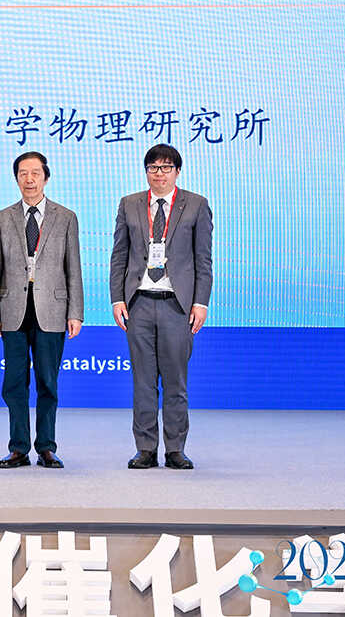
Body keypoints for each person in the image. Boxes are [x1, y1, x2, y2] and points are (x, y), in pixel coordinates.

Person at [110, 144, 212, 470]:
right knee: (142, 382)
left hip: (176, 306)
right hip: (139, 303)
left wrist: (200, 302)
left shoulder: (196, 205)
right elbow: (119, 255)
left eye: (166, 167)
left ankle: (175, 450)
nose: (159, 174)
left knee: (175, 382)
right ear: (146, 172)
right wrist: (117, 298)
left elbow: (203, 259)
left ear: (177, 172)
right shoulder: (129, 204)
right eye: (153, 167)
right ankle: (145, 449)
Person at [0, 152, 83, 469]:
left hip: (52, 310)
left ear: (46, 177)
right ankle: (18, 447)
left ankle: (47, 447)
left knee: (48, 383)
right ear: (16, 179)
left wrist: (75, 311)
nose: (29, 179)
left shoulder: (65, 217)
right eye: (23, 174)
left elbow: (73, 268)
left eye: (35, 173)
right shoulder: (2, 218)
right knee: (14, 383)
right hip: (12, 309)